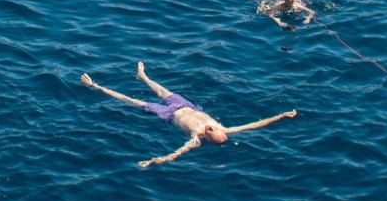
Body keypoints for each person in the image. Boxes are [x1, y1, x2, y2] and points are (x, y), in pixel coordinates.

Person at [80, 62, 297, 167]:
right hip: (186, 105)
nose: (211, 128)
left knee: (133, 101)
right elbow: (255, 125)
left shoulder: (196, 140)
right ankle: (143, 77)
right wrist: (281, 116)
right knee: (163, 90)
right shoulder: (225, 129)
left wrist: (154, 161)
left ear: (208, 139)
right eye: (214, 129)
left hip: (167, 114)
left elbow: (176, 154)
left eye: (211, 131)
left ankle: (95, 86)